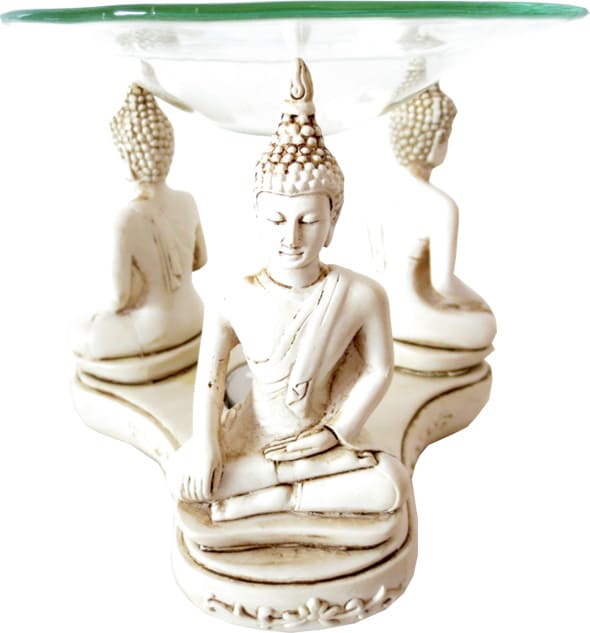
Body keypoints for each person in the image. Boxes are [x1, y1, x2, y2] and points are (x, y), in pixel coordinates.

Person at [167, 59, 409, 524]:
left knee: (390, 483)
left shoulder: (361, 295)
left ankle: (269, 498)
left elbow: (379, 369)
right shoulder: (231, 296)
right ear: (258, 218)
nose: (291, 237)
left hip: (323, 444)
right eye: (277, 220)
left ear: (333, 221)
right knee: (183, 476)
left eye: (309, 220)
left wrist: (336, 432)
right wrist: (207, 445)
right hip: (254, 437)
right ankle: (287, 483)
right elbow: (211, 381)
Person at [71, 85, 207, 362]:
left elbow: (119, 299)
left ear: (129, 159)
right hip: (195, 315)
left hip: (155, 330)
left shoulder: (126, 219)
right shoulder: (187, 201)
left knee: (80, 334)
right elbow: (200, 260)